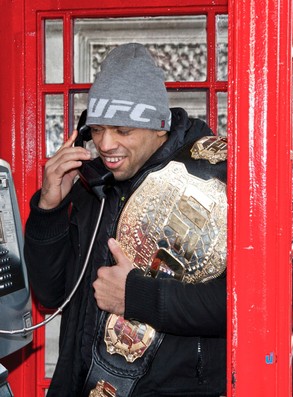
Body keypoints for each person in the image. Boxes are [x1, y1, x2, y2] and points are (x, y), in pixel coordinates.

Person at [24, 43, 227, 397]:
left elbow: (239, 305)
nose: (105, 144)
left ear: (159, 127)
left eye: (122, 130)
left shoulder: (209, 182)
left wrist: (135, 296)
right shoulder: (94, 186)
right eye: (97, 129)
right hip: (80, 384)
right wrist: (49, 208)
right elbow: (49, 294)